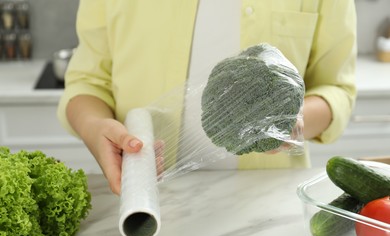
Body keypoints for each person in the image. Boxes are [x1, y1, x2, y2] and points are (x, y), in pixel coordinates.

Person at [57, 0, 357, 195]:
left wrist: (291, 123)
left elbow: (336, 89)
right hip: (145, 195)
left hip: (266, 203)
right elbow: (88, 82)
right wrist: (94, 127)